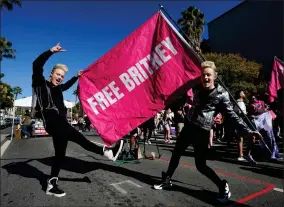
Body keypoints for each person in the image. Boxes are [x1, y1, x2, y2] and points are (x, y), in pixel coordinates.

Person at [153, 61, 260, 203]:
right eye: (203, 75)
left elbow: (233, 116)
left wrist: (247, 130)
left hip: (202, 131)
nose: (206, 78)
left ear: (215, 76)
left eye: (209, 75)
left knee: (200, 165)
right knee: (176, 153)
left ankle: (222, 185)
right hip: (189, 126)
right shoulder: (197, 87)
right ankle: (167, 180)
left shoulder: (221, 94)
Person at [31, 43, 123, 197]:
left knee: (60, 155)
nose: (59, 78)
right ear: (51, 74)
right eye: (57, 74)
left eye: (62, 76)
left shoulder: (59, 88)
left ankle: (51, 185)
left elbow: (66, 86)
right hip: (52, 121)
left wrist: (75, 77)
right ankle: (106, 152)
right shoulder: (41, 84)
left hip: (61, 123)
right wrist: (51, 51)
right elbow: (36, 64)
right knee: (76, 136)